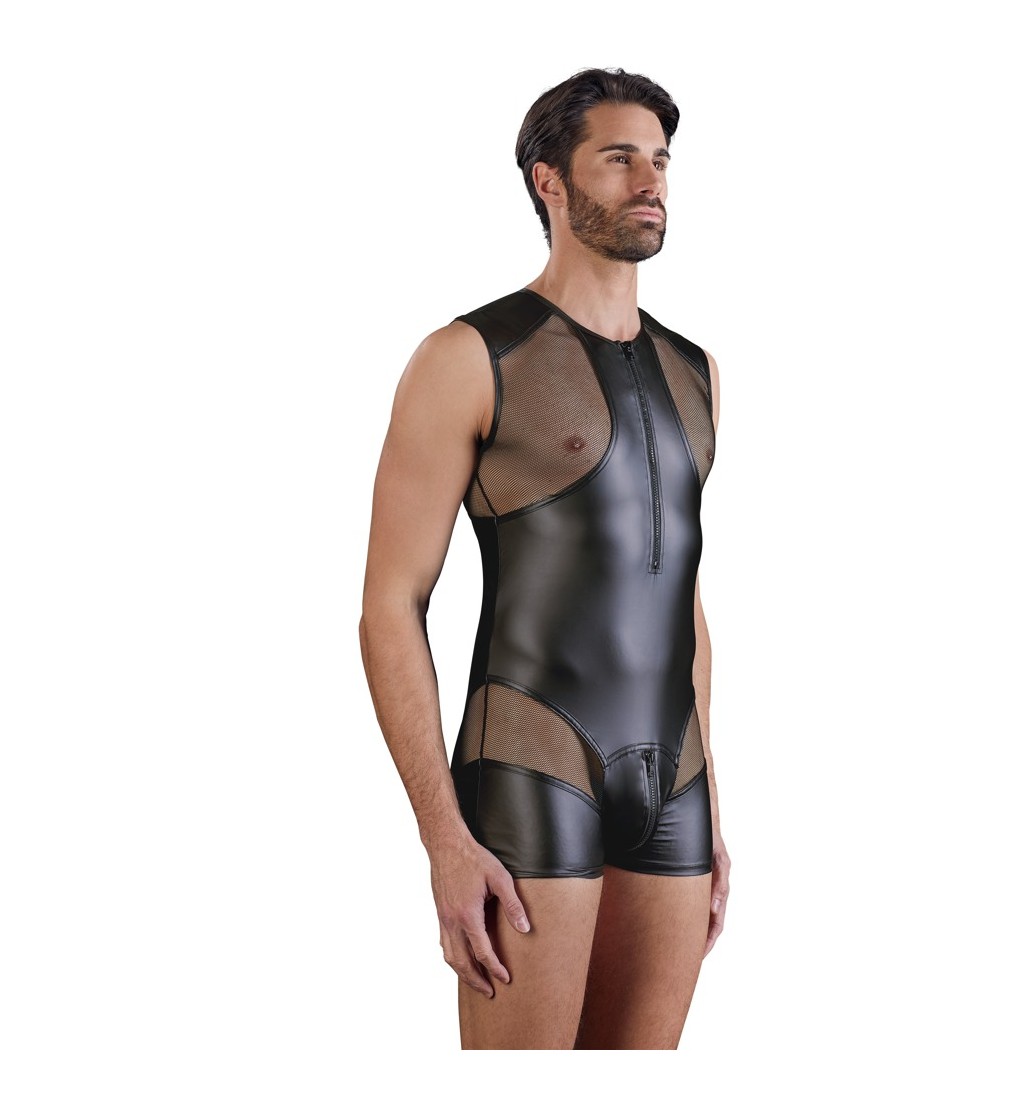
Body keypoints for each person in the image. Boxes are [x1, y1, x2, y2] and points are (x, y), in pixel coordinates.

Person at [359, 66, 730, 1050]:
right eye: (619, 159)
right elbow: (391, 602)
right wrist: (443, 837)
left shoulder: (696, 372)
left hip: (674, 784)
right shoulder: (468, 356)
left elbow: (680, 599)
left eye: (660, 161)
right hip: (530, 765)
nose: (649, 181)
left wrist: (713, 803)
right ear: (549, 182)